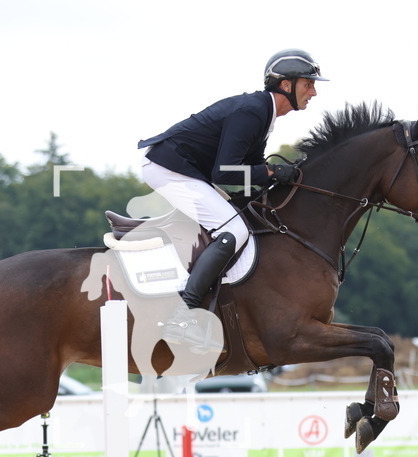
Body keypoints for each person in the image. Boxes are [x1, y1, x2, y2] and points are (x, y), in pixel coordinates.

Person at [138, 48, 327, 351]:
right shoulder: (252, 111)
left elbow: (245, 173)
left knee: (244, 216)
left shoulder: (263, 113)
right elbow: (225, 172)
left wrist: (275, 176)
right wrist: (270, 170)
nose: (314, 91)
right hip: (170, 170)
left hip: (187, 170)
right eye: (308, 83)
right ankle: (182, 317)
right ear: (286, 85)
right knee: (234, 230)